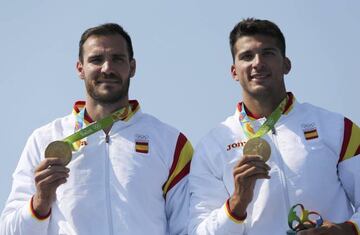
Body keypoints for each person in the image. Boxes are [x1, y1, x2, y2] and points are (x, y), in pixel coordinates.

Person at [0, 23, 193, 235]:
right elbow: (9, 230)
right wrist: (39, 202)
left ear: (132, 67)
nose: (107, 68)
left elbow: (187, 228)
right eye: (96, 60)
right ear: (80, 69)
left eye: (117, 59)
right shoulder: (44, 139)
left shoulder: (171, 142)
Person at [188, 18, 359, 235]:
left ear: (286, 64)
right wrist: (237, 203)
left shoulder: (337, 128)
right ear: (233, 71)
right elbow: (198, 232)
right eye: (246, 56)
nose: (257, 63)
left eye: (268, 53)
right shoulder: (212, 146)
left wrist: (344, 230)